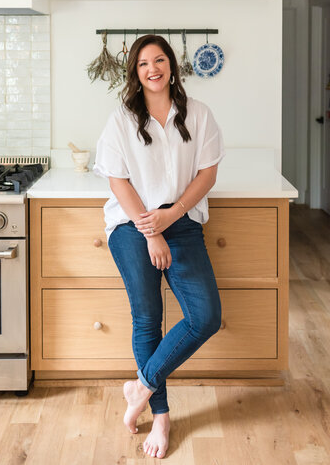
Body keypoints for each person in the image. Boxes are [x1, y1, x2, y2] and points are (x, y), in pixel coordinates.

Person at [93, 34, 225, 459]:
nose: (153, 68)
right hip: (133, 224)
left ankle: (142, 386)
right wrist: (151, 231)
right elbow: (118, 180)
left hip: (182, 220)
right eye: (144, 62)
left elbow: (207, 173)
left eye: (160, 59)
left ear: (171, 66)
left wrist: (173, 215)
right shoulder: (120, 120)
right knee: (148, 317)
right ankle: (161, 418)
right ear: (135, 72)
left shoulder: (199, 115)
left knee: (205, 316)